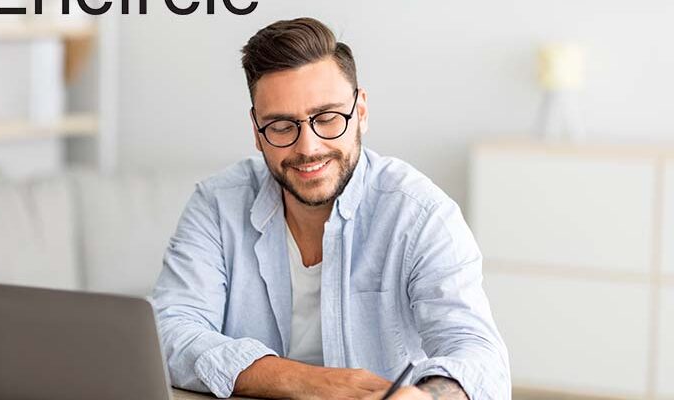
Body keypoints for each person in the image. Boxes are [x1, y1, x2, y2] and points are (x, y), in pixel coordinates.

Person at [152, 17, 510, 400]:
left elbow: (478, 355)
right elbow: (170, 330)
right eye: (282, 126)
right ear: (257, 132)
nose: (308, 148)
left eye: (327, 118)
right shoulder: (217, 203)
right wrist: (308, 381)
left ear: (361, 112)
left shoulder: (420, 214)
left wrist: (429, 397)